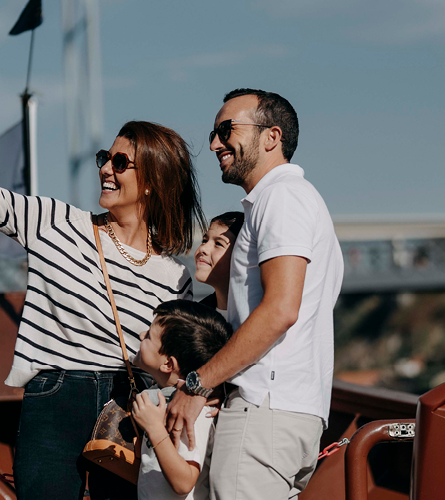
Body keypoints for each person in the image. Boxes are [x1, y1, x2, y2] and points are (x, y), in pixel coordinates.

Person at [0, 87, 206, 500]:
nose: (106, 168)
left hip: (129, 413)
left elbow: (184, 361)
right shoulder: (56, 222)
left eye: (121, 162)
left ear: (152, 183)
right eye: (104, 158)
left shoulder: (173, 278)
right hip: (55, 397)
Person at [166, 88, 344, 499]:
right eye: (213, 132)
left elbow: (281, 310)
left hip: (264, 410)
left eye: (226, 130)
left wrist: (195, 385)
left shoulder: (281, 197)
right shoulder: (291, 201)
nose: (214, 143)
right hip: (290, 413)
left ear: (271, 137)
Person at [131, 300, 231, 500]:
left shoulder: (193, 413)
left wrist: (155, 429)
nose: (141, 336)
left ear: (168, 363)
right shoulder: (163, 398)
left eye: (149, 337)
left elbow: (184, 482)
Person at [195, 212, 243, 315]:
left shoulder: (259, 313)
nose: (203, 248)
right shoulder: (195, 317)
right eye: (204, 240)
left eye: (218, 243)